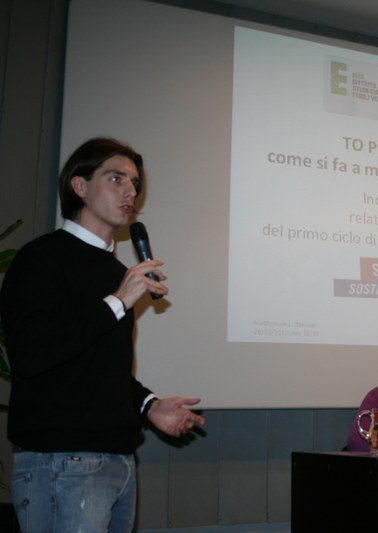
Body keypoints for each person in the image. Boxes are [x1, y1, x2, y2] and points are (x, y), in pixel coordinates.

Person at [0, 137, 205, 532]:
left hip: (119, 461)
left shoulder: (117, 274)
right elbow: (31, 354)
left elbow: (97, 368)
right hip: (61, 463)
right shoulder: (41, 258)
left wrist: (149, 405)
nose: (130, 191)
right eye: (116, 178)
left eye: (134, 183)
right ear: (79, 185)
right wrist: (117, 301)